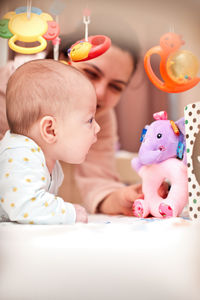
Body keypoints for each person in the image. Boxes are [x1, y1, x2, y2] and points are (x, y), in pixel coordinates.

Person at [0, 59, 100, 224]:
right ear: (50, 129)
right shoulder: (20, 156)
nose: (97, 128)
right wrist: (69, 212)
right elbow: (25, 207)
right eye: (89, 120)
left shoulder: (47, 160)